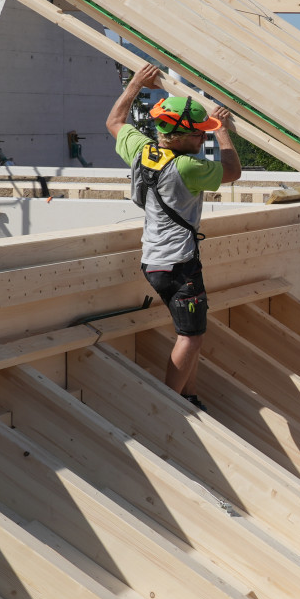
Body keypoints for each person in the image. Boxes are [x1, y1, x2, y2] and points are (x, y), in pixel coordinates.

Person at [106, 63, 241, 404]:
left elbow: (115, 122)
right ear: (181, 135)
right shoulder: (188, 167)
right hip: (179, 266)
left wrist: (136, 83)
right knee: (191, 337)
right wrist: (223, 130)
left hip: (153, 261)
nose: (204, 137)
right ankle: (168, 404)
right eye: (200, 133)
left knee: (192, 331)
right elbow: (233, 171)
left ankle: (189, 394)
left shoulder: (142, 150)